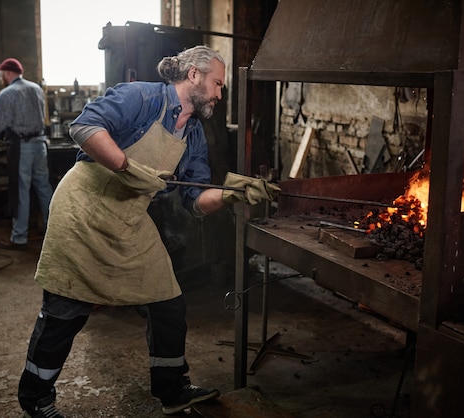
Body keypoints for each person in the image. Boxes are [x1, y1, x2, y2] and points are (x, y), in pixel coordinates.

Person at [17, 45, 280, 418]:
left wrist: (230, 194)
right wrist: (125, 165)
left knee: (168, 301)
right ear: (194, 75)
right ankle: (35, 397)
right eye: (218, 84)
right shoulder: (140, 96)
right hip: (83, 208)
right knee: (67, 309)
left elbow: (195, 199)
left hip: (129, 217)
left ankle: (172, 389)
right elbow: (84, 127)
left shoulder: (193, 135)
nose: (221, 94)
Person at [0, 58, 54, 250]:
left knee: (21, 190)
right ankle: (54, 232)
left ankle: (19, 238)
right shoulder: (36, 89)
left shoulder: (8, 93)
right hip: (40, 144)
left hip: (23, 147)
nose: (1, 79)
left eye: (1, 75)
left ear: (8, 73)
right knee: (44, 187)